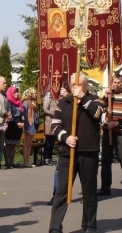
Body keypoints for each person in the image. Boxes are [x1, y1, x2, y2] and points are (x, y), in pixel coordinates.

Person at [49, 73, 105, 233]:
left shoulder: (95, 100)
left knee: (89, 191)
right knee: (61, 191)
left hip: (88, 153)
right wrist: (65, 138)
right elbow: (55, 126)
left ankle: (89, 225)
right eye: (73, 84)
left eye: (79, 85)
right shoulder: (63, 102)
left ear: (86, 85)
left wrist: (83, 99)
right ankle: (55, 227)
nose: (75, 88)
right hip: (67, 153)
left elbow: (99, 115)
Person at [99, 74, 122, 196]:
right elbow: (101, 107)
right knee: (105, 160)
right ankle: (105, 187)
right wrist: (105, 95)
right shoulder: (109, 94)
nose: (116, 85)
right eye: (114, 82)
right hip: (108, 130)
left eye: (119, 82)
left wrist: (116, 122)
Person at [47, 86, 70, 206]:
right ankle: (56, 195)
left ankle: (87, 196)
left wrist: (67, 97)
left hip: (79, 142)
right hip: (64, 141)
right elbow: (56, 123)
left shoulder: (77, 100)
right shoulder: (60, 103)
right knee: (58, 170)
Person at [4, 86, 24, 169]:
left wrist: (22, 123)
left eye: (17, 92)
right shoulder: (8, 102)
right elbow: (10, 115)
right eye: (15, 92)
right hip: (11, 126)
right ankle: (7, 162)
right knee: (8, 145)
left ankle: (12, 162)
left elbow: (20, 114)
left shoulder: (18, 102)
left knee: (13, 145)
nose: (16, 93)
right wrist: (17, 123)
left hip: (17, 127)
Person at [22, 87, 39, 168]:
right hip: (28, 124)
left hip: (33, 124)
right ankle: (25, 161)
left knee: (30, 144)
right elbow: (25, 115)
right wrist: (26, 126)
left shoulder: (34, 102)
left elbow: (36, 115)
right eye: (34, 93)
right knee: (26, 144)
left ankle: (28, 160)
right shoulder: (26, 102)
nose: (36, 94)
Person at [43, 91, 58, 165]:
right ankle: (46, 158)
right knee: (49, 141)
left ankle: (50, 157)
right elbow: (45, 109)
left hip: (55, 121)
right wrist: (53, 112)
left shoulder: (57, 97)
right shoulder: (48, 97)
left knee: (52, 141)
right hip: (49, 121)